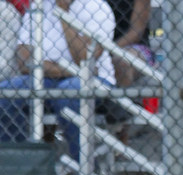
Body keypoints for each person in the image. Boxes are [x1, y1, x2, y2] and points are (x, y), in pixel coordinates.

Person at [0, 0, 115, 161]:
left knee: (70, 92)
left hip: (94, 81)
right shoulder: (38, 7)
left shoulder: (96, 7)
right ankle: (19, 168)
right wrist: (67, 70)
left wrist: (63, 12)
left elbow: (84, 58)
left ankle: (86, 173)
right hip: (45, 79)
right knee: (5, 93)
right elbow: (24, 62)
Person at [107, 0, 154, 87]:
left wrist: (107, 49)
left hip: (132, 45)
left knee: (122, 62)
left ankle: (119, 99)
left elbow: (136, 32)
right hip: (97, 43)